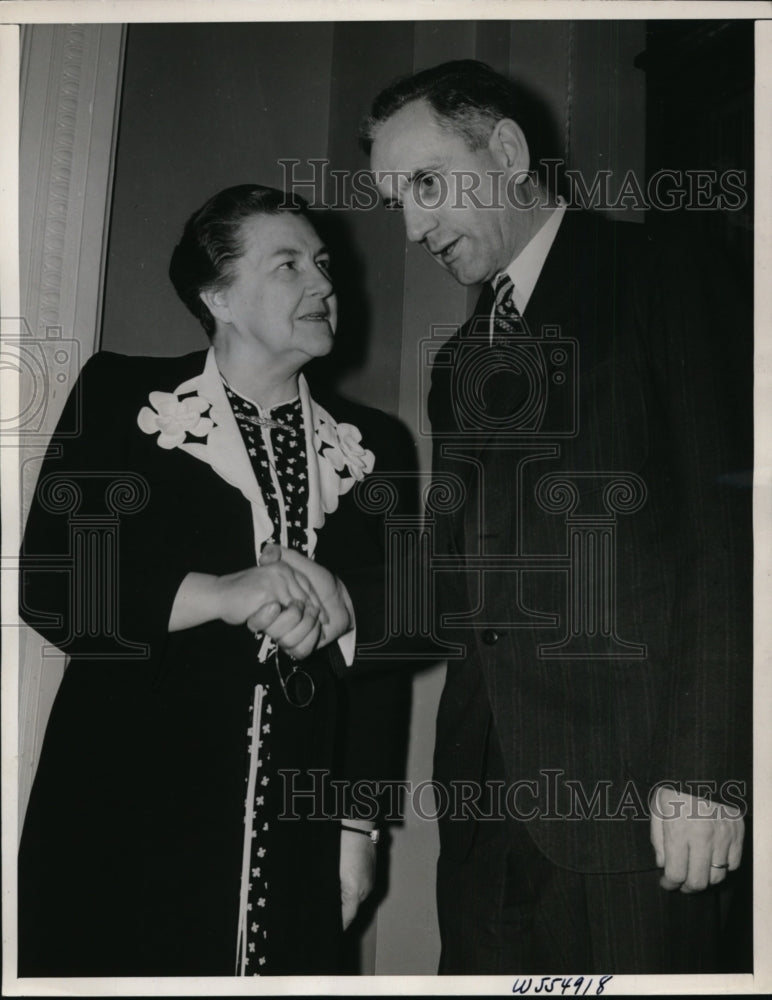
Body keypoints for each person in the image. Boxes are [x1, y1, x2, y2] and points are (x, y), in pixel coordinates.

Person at [360, 60, 752, 973]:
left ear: (505, 149)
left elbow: (727, 538)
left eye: (426, 184)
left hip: (641, 808)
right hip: (484, 819)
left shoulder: (664, 271)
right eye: (398, 201)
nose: (414, 227)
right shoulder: (459, 361)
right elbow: (454, 588)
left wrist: (709, 774)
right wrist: (332, 605)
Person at [18, 184, 410, 976]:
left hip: (298, 834)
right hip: (123, 811)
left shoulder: (375, 446)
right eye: (288, 265)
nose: (324, 285)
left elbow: (385, 663)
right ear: (217, 295)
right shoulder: (124, 396)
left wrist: (357, 828)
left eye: (324, 264)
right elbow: (53, 585)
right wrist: (224, 593)